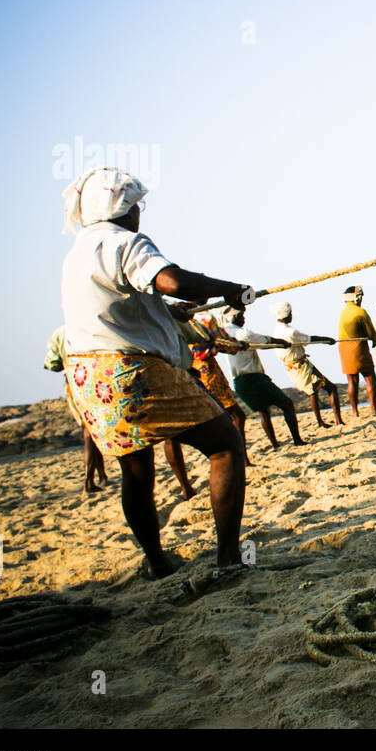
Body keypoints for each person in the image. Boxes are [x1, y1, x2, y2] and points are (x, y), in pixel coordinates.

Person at [60, 167, 250, 578]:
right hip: (131, 372)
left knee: (137, 471)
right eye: (137, 206)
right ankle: (229, 559)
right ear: (125, 209)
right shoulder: (125, 241)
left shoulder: (77, 252)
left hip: (90, 378)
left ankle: (157, 563)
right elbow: (173, 280)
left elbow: (114, 307)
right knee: (226, 445)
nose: (140, 214)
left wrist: (168, 311)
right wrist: (228, 288)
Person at [177, 309, 257, 466]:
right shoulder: (204, 317)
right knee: (235, 415)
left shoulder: (171, 313)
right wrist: (238, 345)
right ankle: (242, 460)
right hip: (206, 370)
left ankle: (185, 487)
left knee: (174, 435)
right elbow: (224, 342)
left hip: (182, 370)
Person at [220, 307, 306, 448]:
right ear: (234, 318)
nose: (244, 319)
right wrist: (281, 343)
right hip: (253, 377)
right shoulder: (241, 333)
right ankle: (297, 440)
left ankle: (275, 444)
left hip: (239, 380)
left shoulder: (223, 332)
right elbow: (264, 341)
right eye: (241, 316)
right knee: (287, 404)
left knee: (263, 411)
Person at [45, 325, 107, 491]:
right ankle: (90, 479)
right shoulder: (87, 327)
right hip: (95, 379)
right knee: (92, 431)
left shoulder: (59, 333)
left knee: (88, 431)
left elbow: (52, 364)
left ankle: (99, 476)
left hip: (73, 383)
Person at [271, 302, 343, 428]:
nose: (292, 315)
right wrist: (326, 340)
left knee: (314, 392)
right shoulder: (290, 331)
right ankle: (332, 421)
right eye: (290, 313)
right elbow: (309, 338)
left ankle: (324, 421)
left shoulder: (276, 331)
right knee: (323, 390)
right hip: (300, 365)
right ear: (286, 315)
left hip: (293, 366)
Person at [337, 285, 376, 417]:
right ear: (357, 297)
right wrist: (375, 340)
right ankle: (373, 409)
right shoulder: (360, 312)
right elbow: (371, 332)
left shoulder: (343, 312)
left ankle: (355, 411)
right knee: (370, 378)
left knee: (352, 381)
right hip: (358, 347)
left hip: (344, 348)